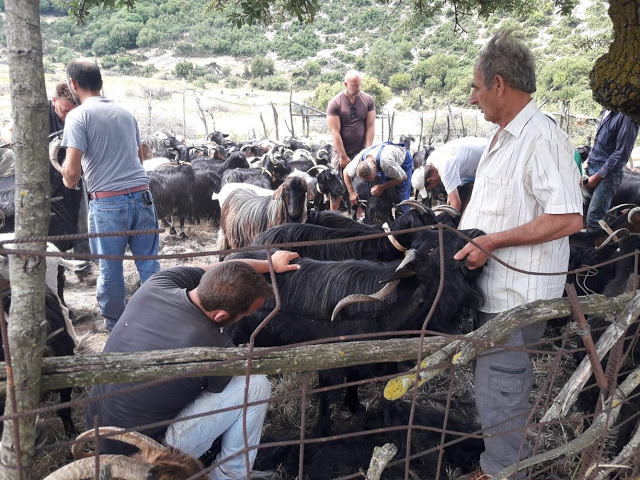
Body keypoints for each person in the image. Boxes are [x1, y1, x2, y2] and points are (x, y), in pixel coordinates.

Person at [452, 30, 583, 479]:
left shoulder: (541, 138)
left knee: (502, 385)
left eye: (476, 86)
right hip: (500, 286)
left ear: (499, 83)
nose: (473, 98)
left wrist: (491, 242)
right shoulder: (505, 136)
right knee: (496, 384)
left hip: (518, 294)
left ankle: (503, 471)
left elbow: (568, 218)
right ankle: (502, 463)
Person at [85, 251, 301, 480]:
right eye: (247, 314)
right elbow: (213, 394)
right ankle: (231, 474)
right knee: (255, 385)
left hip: (96, 431)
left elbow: (224, 267)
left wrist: (270, 263)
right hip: (145, 456)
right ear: (221, 316)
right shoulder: (213, 347)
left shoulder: (159, 283)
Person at [61, 59, 161, 331]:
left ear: (73, 85)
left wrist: (67, 178)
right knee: (149, 264)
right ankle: (162, 315)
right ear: (101, 83)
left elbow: (71, 172)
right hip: (142, 196)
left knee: (111, 268)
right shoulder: (125, 112)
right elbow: (140, 158)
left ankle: (118, 325)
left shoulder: (78, 116)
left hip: (108, 203)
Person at [326, 70, 376, 210]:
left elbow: (370, 127)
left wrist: (367, 151)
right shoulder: (335, 103)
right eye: (355, 85)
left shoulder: (368, 100)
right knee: (338, 187)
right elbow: (335, 132)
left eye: (360, 85)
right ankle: (333, 216)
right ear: (346, 84)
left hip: (360, 150)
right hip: (342, 152)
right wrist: (342, 156)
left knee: (360, 185)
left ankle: (359, 217)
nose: (358, 88)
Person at [582, 109, 639, 231]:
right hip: (592, 167)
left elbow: (621, 154)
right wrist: (587, 161)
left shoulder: (626, 117)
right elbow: (598, 142)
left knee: (594, 219)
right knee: (584, 213)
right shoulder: (606, 110)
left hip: (608, 174)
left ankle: (595, 249)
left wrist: (597, 177)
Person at [412, 136, 486, 212]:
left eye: (430, 188)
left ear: (430, 180)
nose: (432, 189)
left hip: (488, 153)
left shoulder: (445, 169)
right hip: (475, 152)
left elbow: (456, 206)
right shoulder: (430, 162)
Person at [343, 142, 412, 215]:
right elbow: (345, 172)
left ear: (374, 167)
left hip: (402, 160)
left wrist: (382, 187)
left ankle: (403, 215)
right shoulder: (357, 163)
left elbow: (403, 177)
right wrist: (351, 193)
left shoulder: (386, 164)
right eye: (367, 180)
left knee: (401, 195)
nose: (372, 180)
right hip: (384, 158)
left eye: (371, 178)